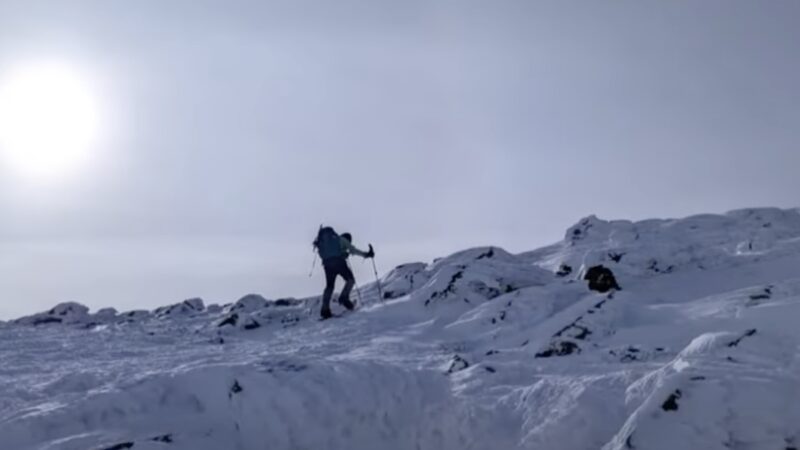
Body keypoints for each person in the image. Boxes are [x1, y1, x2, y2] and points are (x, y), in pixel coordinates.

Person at [313, 227, 375, 319]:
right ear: (348, 238)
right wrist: (367, 254)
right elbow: (353, 250)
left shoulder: (329, 242)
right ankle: (344, 298)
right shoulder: (342, 240)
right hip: (339, 263)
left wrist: (342, 254)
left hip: (327, 265)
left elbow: (322, 254)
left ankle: (325, 310)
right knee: (350, 280)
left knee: (329, 286)